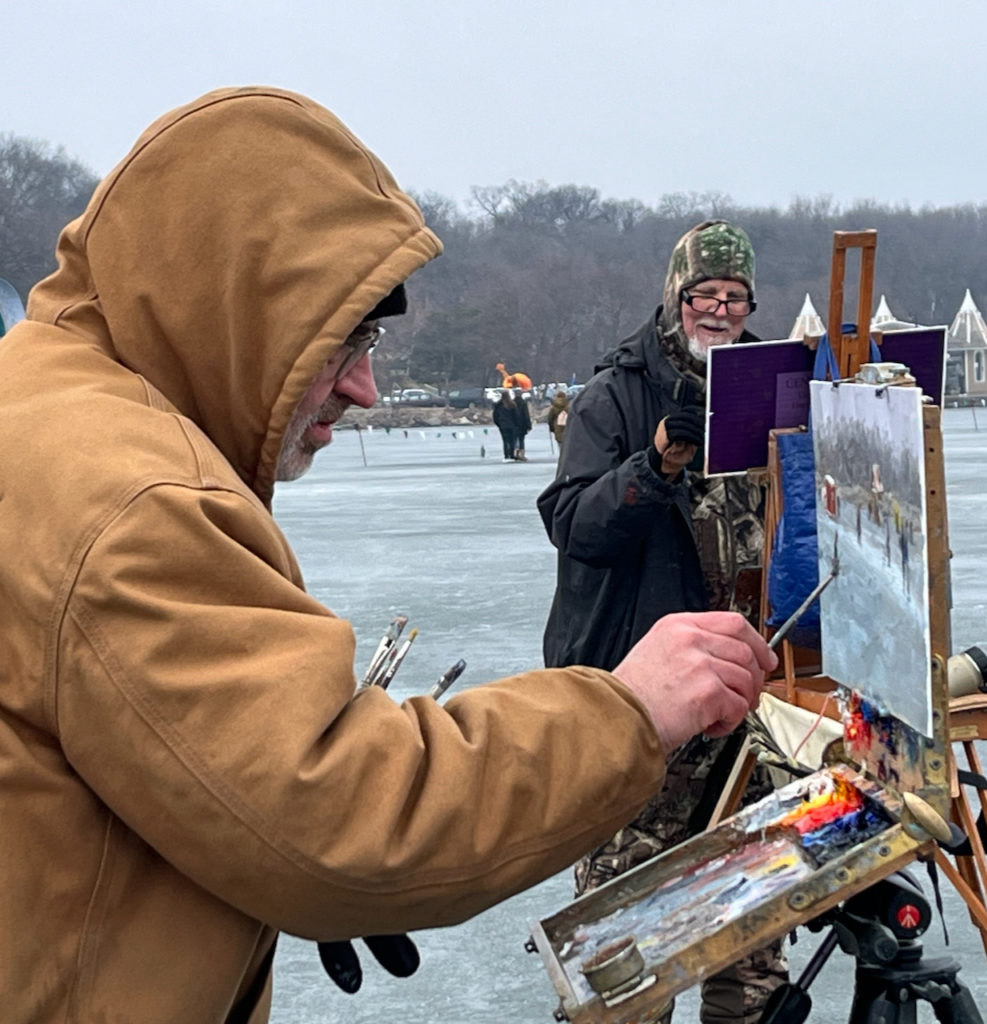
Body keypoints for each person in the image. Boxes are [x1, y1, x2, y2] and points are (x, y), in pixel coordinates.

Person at [0, 89, 777, 1024]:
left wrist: (233, 842)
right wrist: (630, 709)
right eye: (347, 340)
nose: (366, 388)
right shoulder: (132, 500)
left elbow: (173, 761)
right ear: (241, 305)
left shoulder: (43, 403)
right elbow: (337, 814)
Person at [537, 220, 786, 1024]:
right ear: (676, 298)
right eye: (703, 295)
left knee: (753, 913)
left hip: (751, 692)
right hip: (647, 689)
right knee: (628, 926)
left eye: (734, 297)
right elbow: (575, 526)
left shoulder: (768, 382)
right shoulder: (615, 394)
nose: (718, 310)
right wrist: (653, 468)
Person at [492, 388, 520, 461]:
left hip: (503, 425)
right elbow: (516, 416)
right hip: (511, 425)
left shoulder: (498, 405)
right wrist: (516, 424)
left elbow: (495, 416)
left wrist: (499, 424)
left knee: (505, 440)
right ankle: (511, 454)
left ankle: (506, 455)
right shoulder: (512, 404)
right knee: (512, 441)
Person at [512, 387, 532, 460]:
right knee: (521, 440)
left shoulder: (512, 403)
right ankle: (521, 454)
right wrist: (529, 425)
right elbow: (526, 415)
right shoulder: (523, 403)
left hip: (513, 424)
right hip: (522, 424)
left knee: (514, 439)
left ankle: (515, 453)